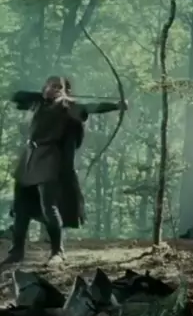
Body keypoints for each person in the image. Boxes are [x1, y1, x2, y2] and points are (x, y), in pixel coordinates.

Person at [2, 76, 127, 266]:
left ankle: (57, 252)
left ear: (65, 91)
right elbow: (17, 96)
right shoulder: (38, 103)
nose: (51, 89)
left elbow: (91, 107)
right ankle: (16, 252)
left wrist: (116, 105)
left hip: (49, 159)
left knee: (49, 207)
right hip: (29, 159)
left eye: (57, 87)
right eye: (49, 85)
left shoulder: (69, 107)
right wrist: (44, 95)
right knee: (20, 208)